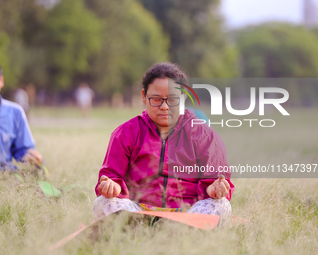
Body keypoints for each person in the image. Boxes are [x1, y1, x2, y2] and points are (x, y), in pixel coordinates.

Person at [93, 62, 234, 227]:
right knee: (103, 203)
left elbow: (217, 182)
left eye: (172, 99)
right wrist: (111, 187)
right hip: (138, 212)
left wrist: (214, 189)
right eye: (156, 100)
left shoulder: (204, 135)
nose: (165, 107)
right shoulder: (125, 133)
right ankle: (151, 233)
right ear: (144, 96)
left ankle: (175, 234)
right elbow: (111, 177)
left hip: (188, 214)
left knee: (221, 205)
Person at [0, 59, 42, 170]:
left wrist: (33, 158)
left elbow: (22, 150)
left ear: (1, 81)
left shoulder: (15, 112)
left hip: (6, 175)